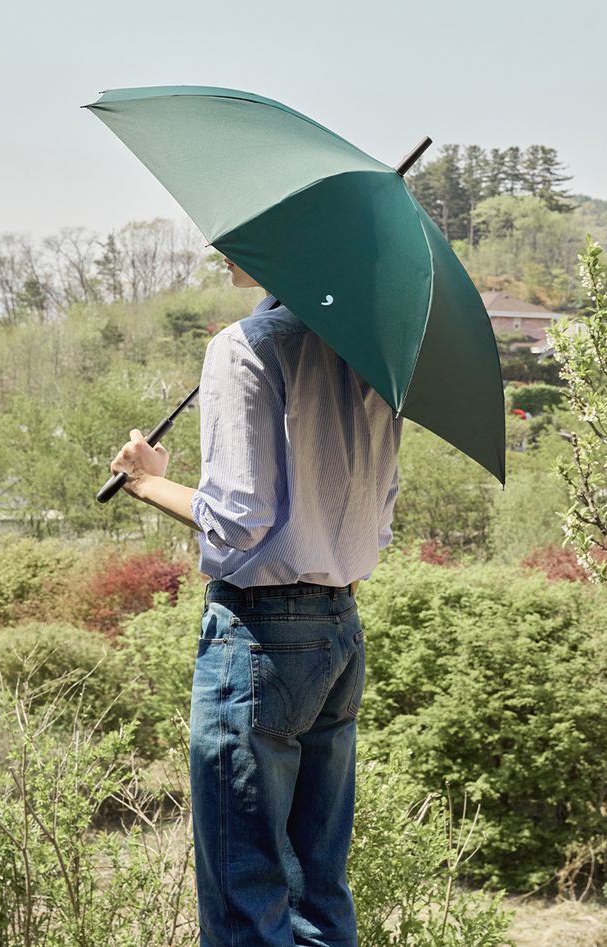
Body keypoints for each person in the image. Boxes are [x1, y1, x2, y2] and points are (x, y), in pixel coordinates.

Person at [111, 257, 403, 947]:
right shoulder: (376, 358)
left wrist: (147, 482)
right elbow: (379, 513)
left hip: (261, 636)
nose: (221, 245)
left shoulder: (245, 345)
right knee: (318, 889)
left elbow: (238, 519)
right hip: (340, 628)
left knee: (246, 892)